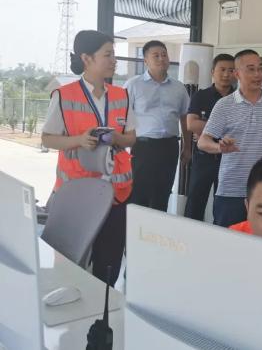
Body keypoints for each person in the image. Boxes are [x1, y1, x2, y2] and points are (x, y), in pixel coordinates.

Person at [41, 30, 138, 285]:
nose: (114, 60)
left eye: (114, 54)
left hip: (117, 192)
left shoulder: (121, 95)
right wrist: (79, 141)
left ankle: (104, 304)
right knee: (68, 262)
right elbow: (47, 138)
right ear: (86, 58)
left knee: (109, 262)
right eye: (108, 54)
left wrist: (116, 137)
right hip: (77, 192)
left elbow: (131, 139)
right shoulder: (64, 95)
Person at [198, 49, 262, 227]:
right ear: (237, 74)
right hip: (230, 189)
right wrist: (219, 148)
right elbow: (203, 141)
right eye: (250, 69)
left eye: (260, 68)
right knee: (227, 239)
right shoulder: (224, 105)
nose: (257, 74)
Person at [124, 40, 192, 212]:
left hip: (169, 146)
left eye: (164, 55)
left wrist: (187, 147)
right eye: (156, 56)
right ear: (145, 60)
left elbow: (184, 117)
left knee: (162, 194)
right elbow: (123, 115)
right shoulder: (133, 84)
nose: (161, 59)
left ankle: (156, 228)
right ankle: (135, 228)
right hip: (143, 146)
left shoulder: (178, 87)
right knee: (139, 194)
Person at [184, 54, 236, 221]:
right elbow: (191, 124)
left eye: (231, 70)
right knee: (195, 203)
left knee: (223, 207)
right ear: (213, 72)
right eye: (222, 70)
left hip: (229, 160)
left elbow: (241, 129)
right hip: (203, 159)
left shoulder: (238, 98)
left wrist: (206, 130)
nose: (226, 74)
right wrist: (225, 128)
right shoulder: (201, 96)